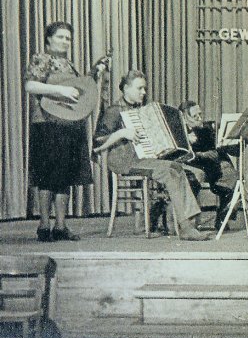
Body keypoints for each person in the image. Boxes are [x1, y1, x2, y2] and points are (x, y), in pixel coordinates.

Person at [94, 70, 210, 241]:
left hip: (144, 158)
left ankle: (187, 224)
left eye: (144, 88)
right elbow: (97, 143)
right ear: (126, 88)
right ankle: (185, 227)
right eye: (139, 88)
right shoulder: (114, 111)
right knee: (170, 170)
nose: (144, 92)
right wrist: (121, 133)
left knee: (178, 168)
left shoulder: (144, 111)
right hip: (124, 160)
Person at [25, 21, 105, 242]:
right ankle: (44, 225)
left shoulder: (69, 65)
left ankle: (60, 226)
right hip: (47, 124)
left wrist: (94, 73)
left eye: (68, 38)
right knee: (48, 176)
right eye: (60, 37)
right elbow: (30, 86)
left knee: (64, 177)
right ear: (49, 39)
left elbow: (79, 91)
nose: (64, 41)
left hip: (69, 125)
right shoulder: (41, 59)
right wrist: (60, 89)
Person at [178, 100, 239, 230]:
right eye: (195, 117)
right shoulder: (178, 131)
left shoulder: (207, 128)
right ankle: (188, 222)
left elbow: (220, 149)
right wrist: (200, 154)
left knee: (232, 175)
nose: (200, 119)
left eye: (200, 114)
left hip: (210, 166)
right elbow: (179, 154)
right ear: (184, 117)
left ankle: (222, 219)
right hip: (192, 166)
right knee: (194, 177)